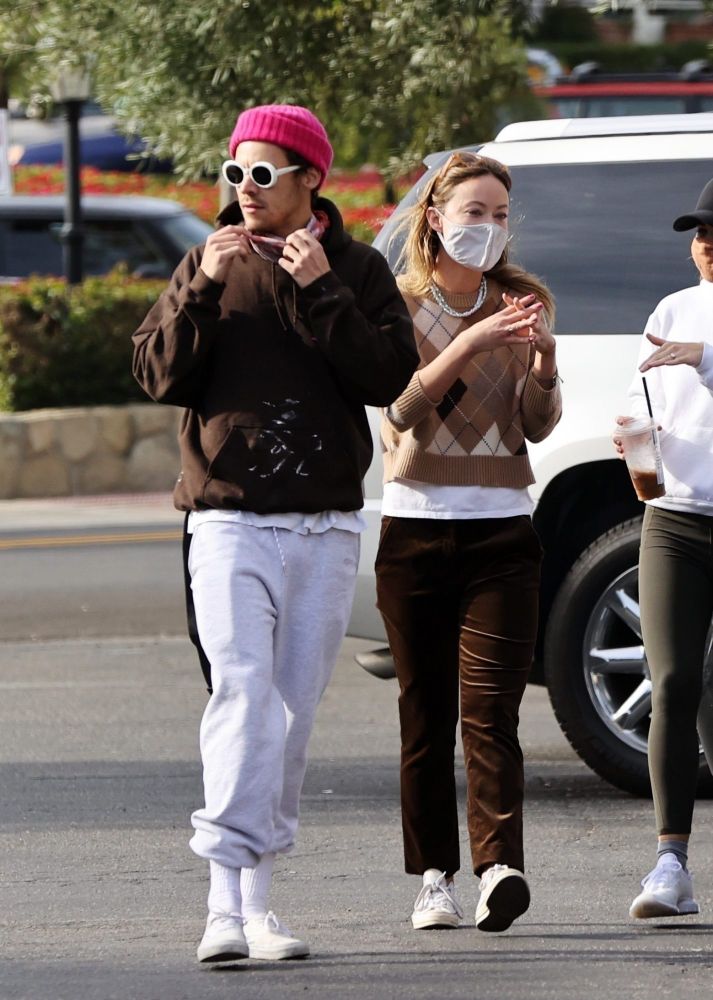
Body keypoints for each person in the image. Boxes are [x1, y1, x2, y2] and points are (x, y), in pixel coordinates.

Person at [132, 104, 418, 963]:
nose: (244, 189)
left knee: (290, 715)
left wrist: (323, 288)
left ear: (309, 180)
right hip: (227, 520)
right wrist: (200, 288)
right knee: (243, 694)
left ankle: (259, 905)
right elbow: (156, 374)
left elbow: (387, 377)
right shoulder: (206, 261)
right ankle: (221, 906)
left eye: (262, 174)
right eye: (234, 173)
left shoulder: (357, 270)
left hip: (325, 526)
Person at [374, 151, 561, 932]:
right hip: (414, 531)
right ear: (435, 218)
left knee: (491, 714)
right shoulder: (397, 304)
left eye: (500, 215)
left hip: (501, 532)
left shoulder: (522, 302)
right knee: (424, 715)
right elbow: (399, 412)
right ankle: (433, 879)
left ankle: (498, 868)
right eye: (474, 212)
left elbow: (536, 425)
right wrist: (467, 344)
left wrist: (543, 359)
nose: (488, 227)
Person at [614, 177, 713, 920]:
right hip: (673, 521)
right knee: (673, 680)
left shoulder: (692, 331)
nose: (707, 245)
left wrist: (703, 355)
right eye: (701, 233)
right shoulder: (671, 309)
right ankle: (669, 863)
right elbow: (642, 395)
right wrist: (632, 436)